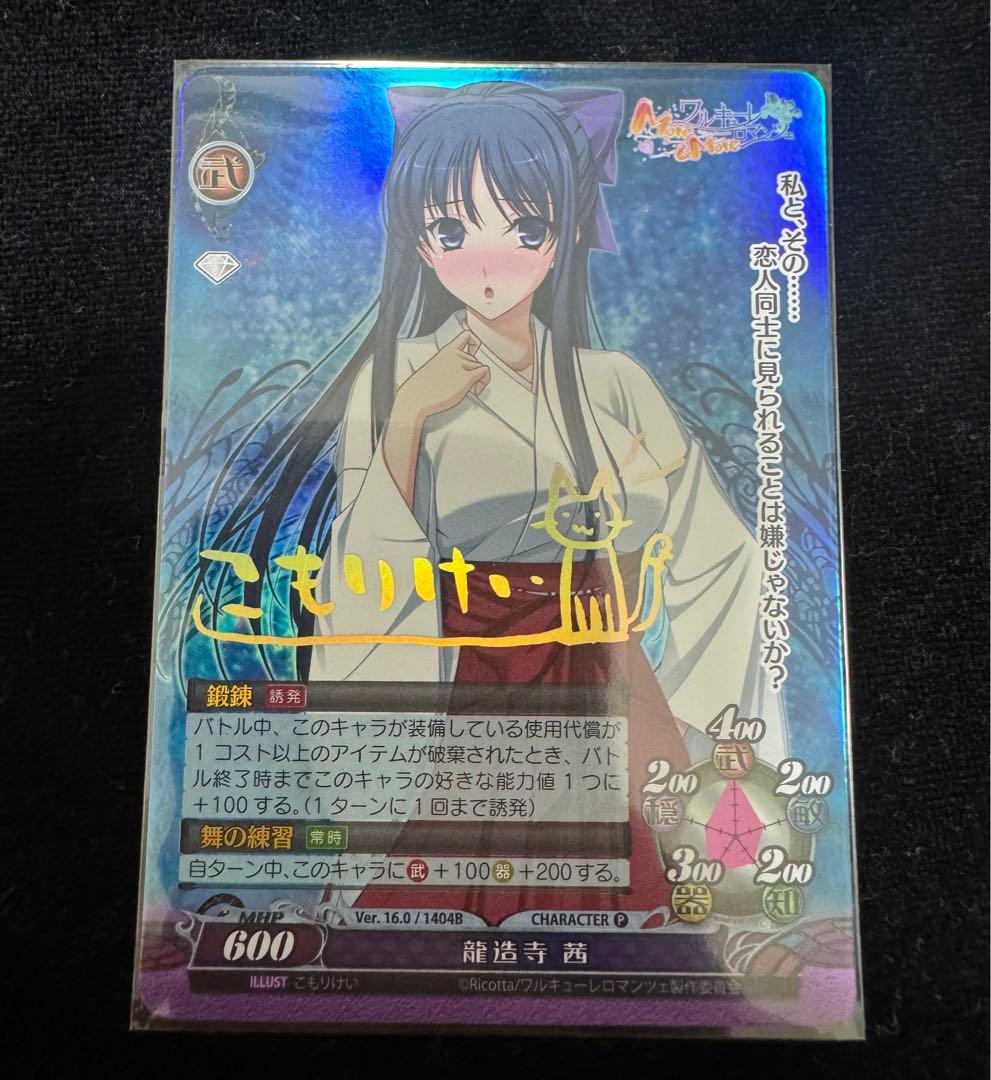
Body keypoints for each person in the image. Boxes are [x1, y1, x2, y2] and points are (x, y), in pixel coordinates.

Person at [203, 81, 785, 924]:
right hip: (468, 675)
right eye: (450, 230)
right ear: (419, 240)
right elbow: (364, 554)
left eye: (524, 228)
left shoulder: (613, 383)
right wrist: (409, 417)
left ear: (566, 231)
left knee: (630, 883)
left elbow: (719, 547)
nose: (486, 260)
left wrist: (712, 715)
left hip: (604, 668)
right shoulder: (397, 377)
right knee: (453, 882)